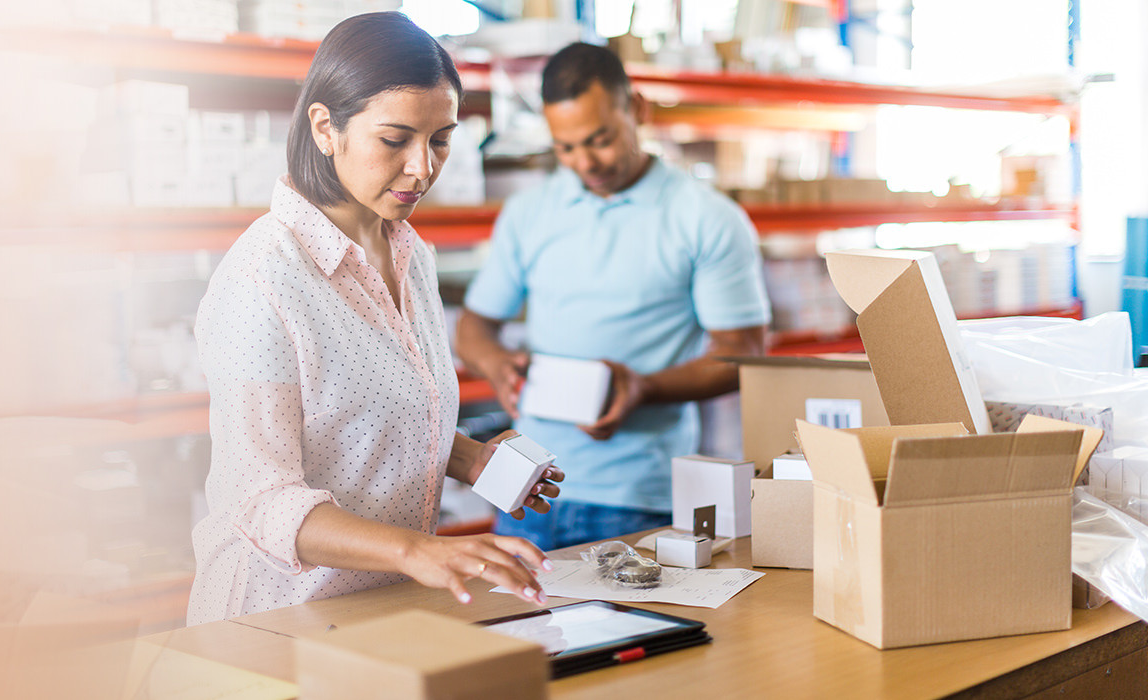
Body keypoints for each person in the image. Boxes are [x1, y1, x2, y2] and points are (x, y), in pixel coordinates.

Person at [187, 12, 565, 626]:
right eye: (395, 141)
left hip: (385, 611)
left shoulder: (411, 255)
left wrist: (471, 459)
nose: (423, 167)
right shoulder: (261, 280)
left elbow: (371, 417)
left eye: (441, 139)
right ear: (325, 127)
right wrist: (422, 551)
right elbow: (260, 499)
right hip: (277, 623)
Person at [455, 42, 771, 552]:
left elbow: (743, 354)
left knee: (633, 631)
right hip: (524, 485)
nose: (585, 161)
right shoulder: (529, 213)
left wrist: (642, 388)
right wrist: (497, 367)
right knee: (517, 630)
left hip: (639, 499)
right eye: (566, 147)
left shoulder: (706, 218)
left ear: (638, 110)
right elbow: (473, 325)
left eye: (599, 140)